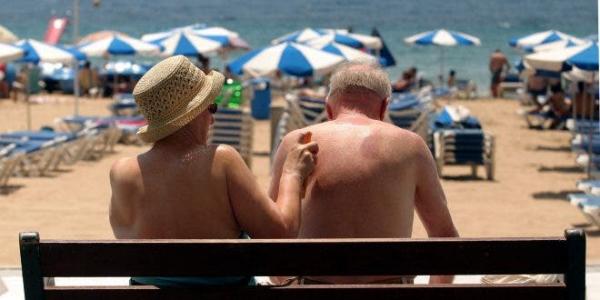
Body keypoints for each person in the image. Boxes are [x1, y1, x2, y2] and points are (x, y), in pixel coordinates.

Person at [109, 56, 319, 287]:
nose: (212, 119)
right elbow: (281, 237)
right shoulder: (221, 160)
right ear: (195, 114)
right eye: (212, 107)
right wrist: (292, 174)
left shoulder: (121, 173)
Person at [270, 61, 459, 285]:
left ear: (329, 108)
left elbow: (270, 234)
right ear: (384, 107)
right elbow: (445, 239)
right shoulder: (411, 146)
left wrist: (285, 284)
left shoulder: (297, 143)